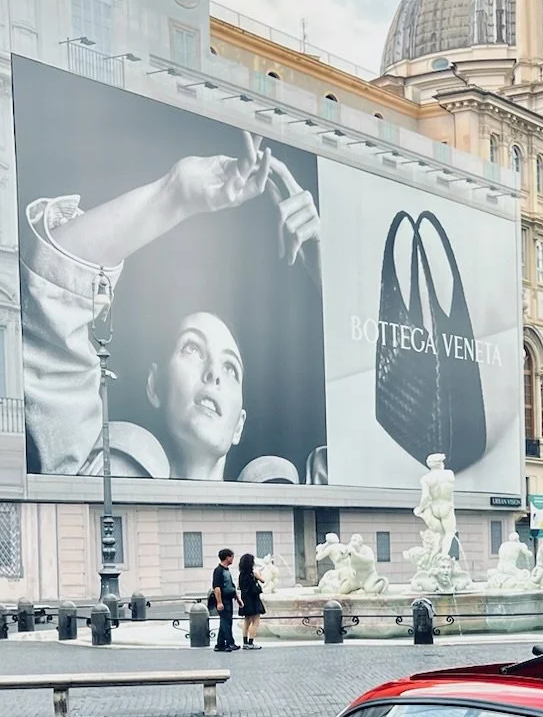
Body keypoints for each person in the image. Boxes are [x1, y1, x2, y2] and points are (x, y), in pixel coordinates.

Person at [20, 130, 322, 482]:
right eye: (192, 348)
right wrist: (174, 194)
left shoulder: (302, 506)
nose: (213, 374)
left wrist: (322, 262)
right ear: (155, 385)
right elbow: (53, 291)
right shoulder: (90, 477)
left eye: (231, 368)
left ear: (239, 424)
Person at [211, 549, 238, 653]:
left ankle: (220, 644)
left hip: (228, 599)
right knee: (225, 622)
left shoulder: (226, 570)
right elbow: (217, 588)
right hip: (224, 600)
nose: (232, 559)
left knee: (226, 621)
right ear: (227, 557)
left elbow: (231, 585)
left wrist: (237, 597)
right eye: (232, 557)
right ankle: (229, 642)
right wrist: (219, 602)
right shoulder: (219, 570)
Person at [238, 552, 265, 647]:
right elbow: (263, 580)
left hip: (245, 599)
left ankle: (245, 643)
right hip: (254, 599)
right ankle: (251, 642)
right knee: (256, 621)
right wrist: (259, 574)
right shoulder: (253, 574)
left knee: (247, 621)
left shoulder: (241, 575)